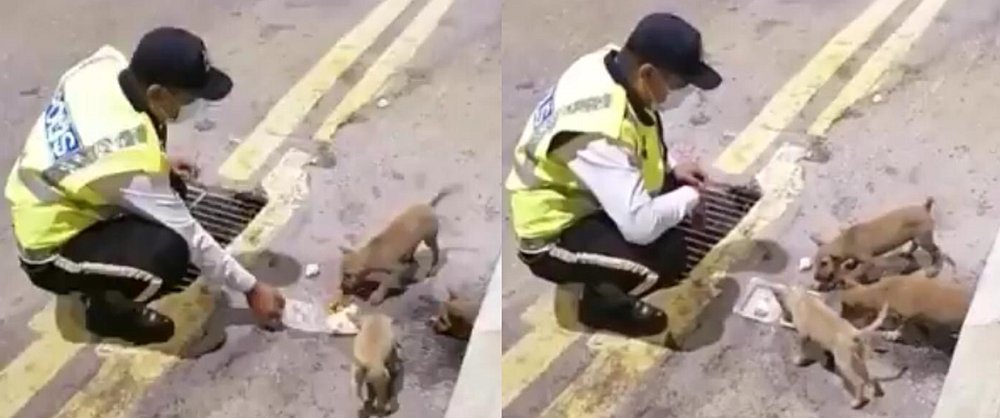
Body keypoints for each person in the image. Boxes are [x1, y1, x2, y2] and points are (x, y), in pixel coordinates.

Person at [5, 27, 285, 346]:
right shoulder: (124, 160)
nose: (195, 105)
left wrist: (159, 165)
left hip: (59, 196)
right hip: (48, 247)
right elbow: (192, 238)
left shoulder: (102, 69)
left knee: (170, 186)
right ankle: (106, 311)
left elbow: (92, 144)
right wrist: (252, 289)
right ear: (157, 94)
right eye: (189, 98)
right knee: (168, 254)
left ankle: (105, 271)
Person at [505, 13, 721, 335]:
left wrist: (671, 166)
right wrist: (692, 196)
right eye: (679, 83)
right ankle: (596, 305)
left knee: (670, 214)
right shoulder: (598, 130)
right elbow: (641, 226)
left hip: (582, 196)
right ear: (648, 73)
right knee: (665, 260)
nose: (684, 92)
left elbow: (635, 139)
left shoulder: (610, 66)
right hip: (552, 231)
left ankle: (601, 271)